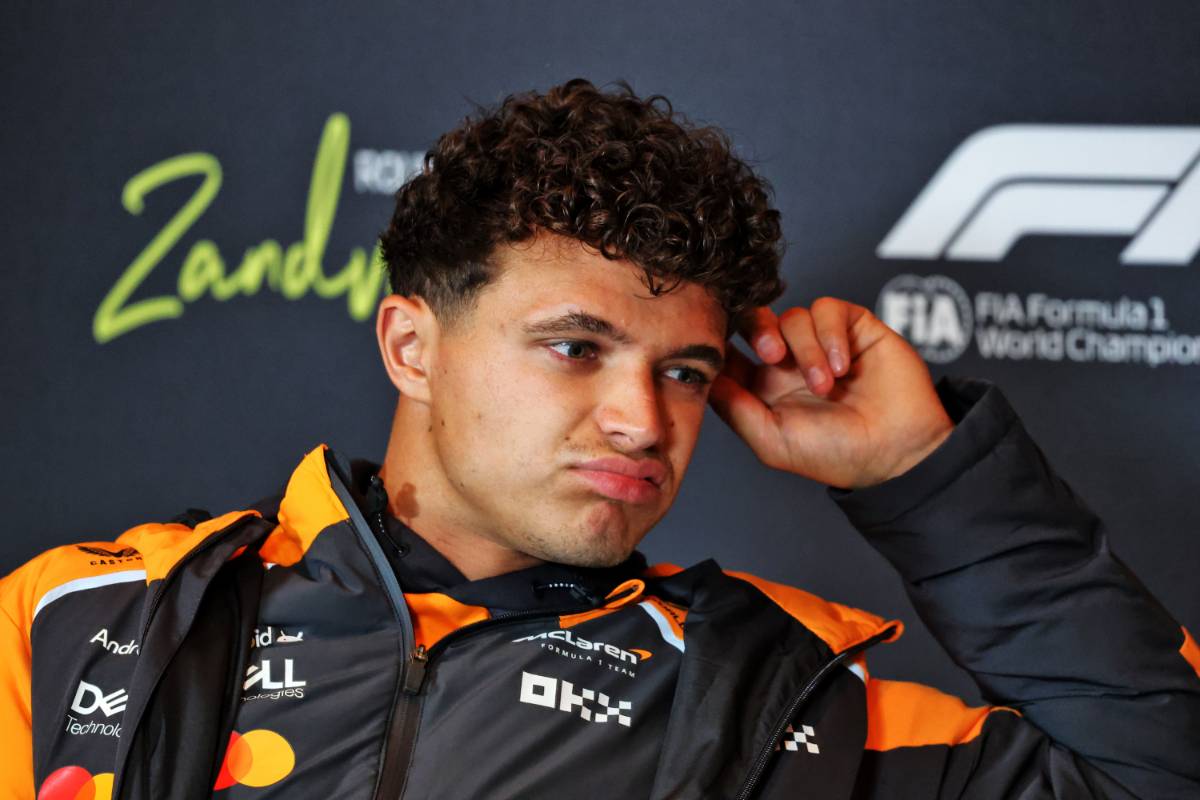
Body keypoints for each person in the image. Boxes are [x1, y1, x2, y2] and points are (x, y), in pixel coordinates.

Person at [2, 79, 1198, 800]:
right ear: (412, 346)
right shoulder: (79, 621)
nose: (644, 419)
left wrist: (921, 478)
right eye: (576, 346)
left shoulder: (770, 695)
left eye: (683, 370)